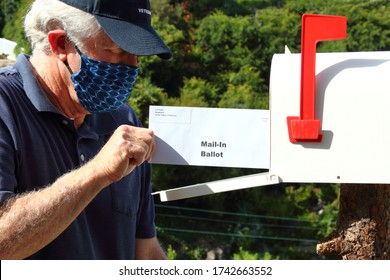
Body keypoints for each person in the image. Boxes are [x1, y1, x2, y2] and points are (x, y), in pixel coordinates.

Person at [0, 0, 172, 260]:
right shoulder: (5, 106)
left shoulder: (124, 121)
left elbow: (144, 253)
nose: (133, 67)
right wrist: (98, 172)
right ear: (60, 43)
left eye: (136, 54)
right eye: (116, 50)